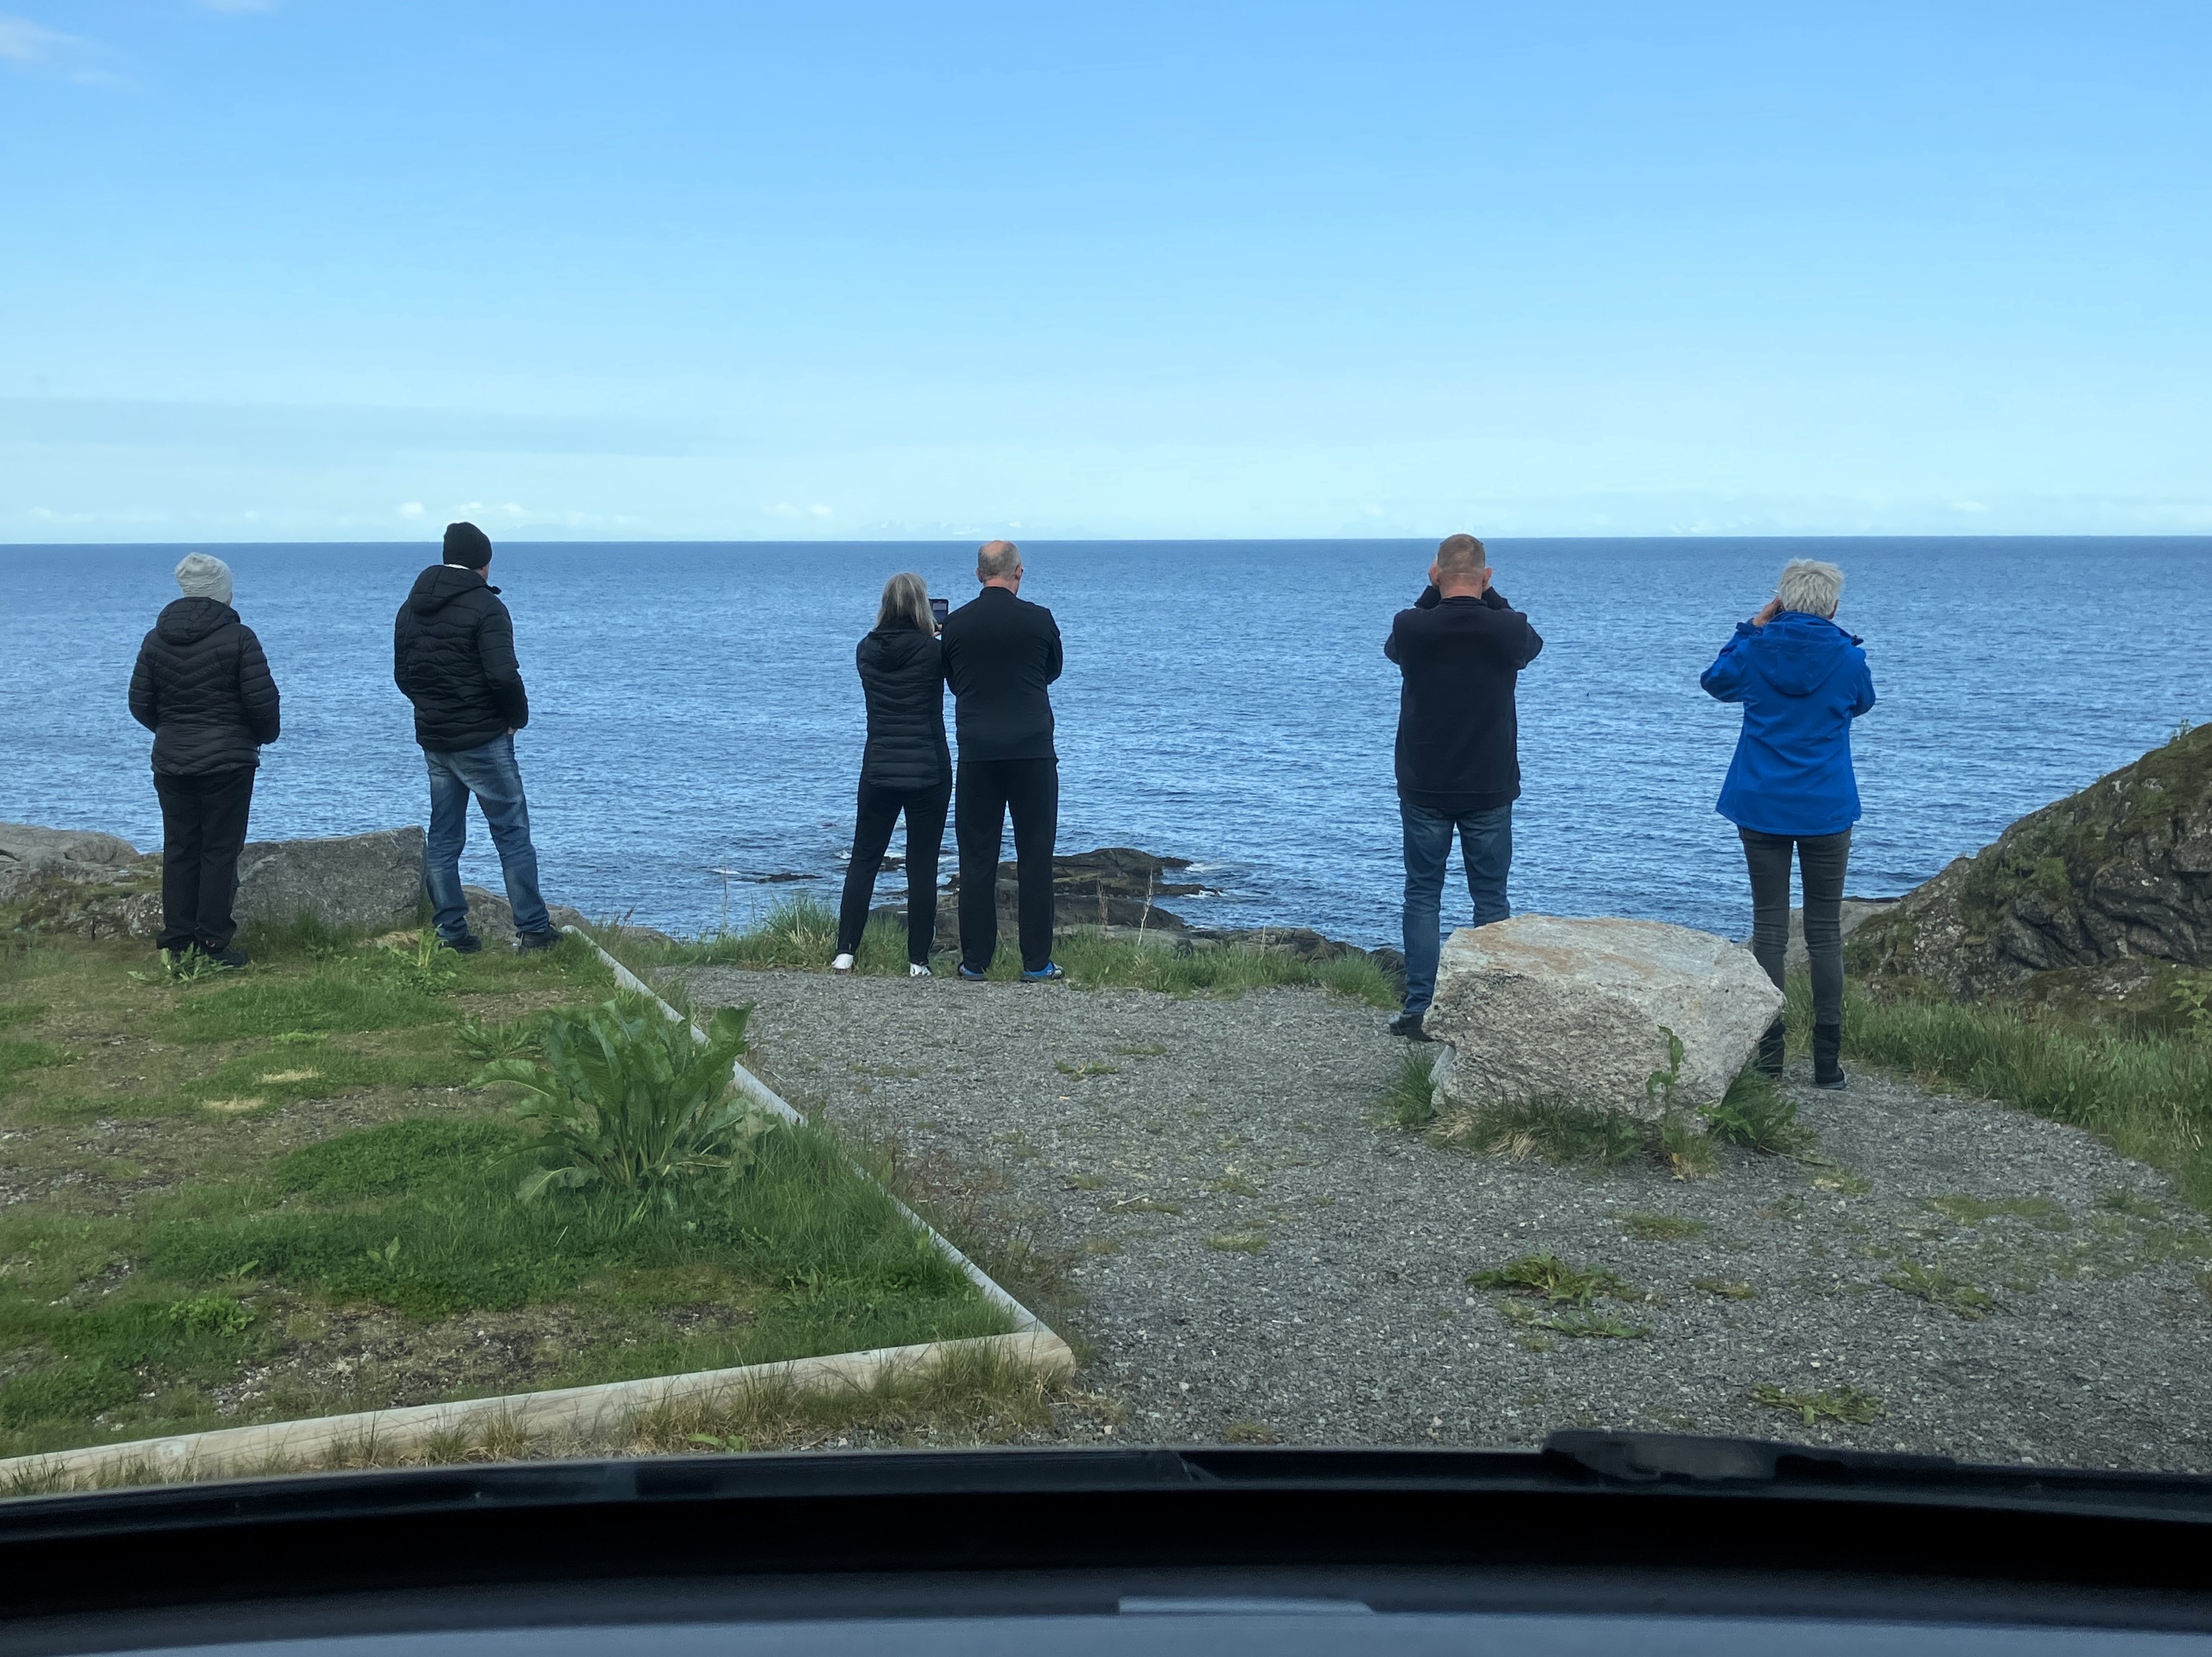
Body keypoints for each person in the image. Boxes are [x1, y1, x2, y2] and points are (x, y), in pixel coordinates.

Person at [1701, 556, 1876, 1091]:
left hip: (1761, 804)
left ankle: (1769, 1059)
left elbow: (1715, 682)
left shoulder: (1755, 650)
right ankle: (1827, 1064)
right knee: (1824, 933)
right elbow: (1862, 703)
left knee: (1769, 930)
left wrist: (1751, 627)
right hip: (1825, 806)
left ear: (1780, 602)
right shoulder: (1848, 658)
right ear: (1833, 607)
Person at [1384, 533, 1544, 1040]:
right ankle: (1489, 1012)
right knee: (1491, 899)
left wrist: (1433, 592)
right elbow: (1531, 643)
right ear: (1486, 576)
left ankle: (1419, 1008)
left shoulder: (1412, 626)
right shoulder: (1507, 628)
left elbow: (1395, 648)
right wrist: (1489, 595)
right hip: (1489, 784)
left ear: (1435, 574)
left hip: (1424, 784)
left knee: (1422, 895)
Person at [393, 521, 556, 954]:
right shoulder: (487, 607)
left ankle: (451, 932)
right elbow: (503, 675)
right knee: (511, 833)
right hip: (483, 737)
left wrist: (433, 708)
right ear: (483, 563)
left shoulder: (411, 607)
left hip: (435, 737)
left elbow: (403, 676)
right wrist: (515, 718)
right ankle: (534, 929)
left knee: (444, 836)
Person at [127, 553, 281, 967]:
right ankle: (213, 942)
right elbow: (263, 704)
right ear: (224, 593)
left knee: (179, 847)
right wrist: (259, 737)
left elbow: (140, 703)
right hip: (229, 762)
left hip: (171, 760)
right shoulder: (240, 638)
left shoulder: (155, 639)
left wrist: (171, 731)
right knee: (219, 849)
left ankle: (178, 941)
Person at [938, 539, 1065, 981]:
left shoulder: (955, 625)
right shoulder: (1040, 619)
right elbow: (1052, 671)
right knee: (1036, 857)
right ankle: (1036, 962)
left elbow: (953, 680)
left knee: (976, 859)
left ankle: (975, 961)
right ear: (1018, 572)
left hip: (978, 753)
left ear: (978, 574)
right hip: (1032, 750)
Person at [831, 572, 951, 977]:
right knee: (923, 865)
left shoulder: (865, 650)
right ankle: (918, 960)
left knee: (864, 859)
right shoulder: (934, 652)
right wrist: (938, 636)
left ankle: (845, 951)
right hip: (928, 767)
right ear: (921, 606)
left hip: (879, 767)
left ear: (885, 605)